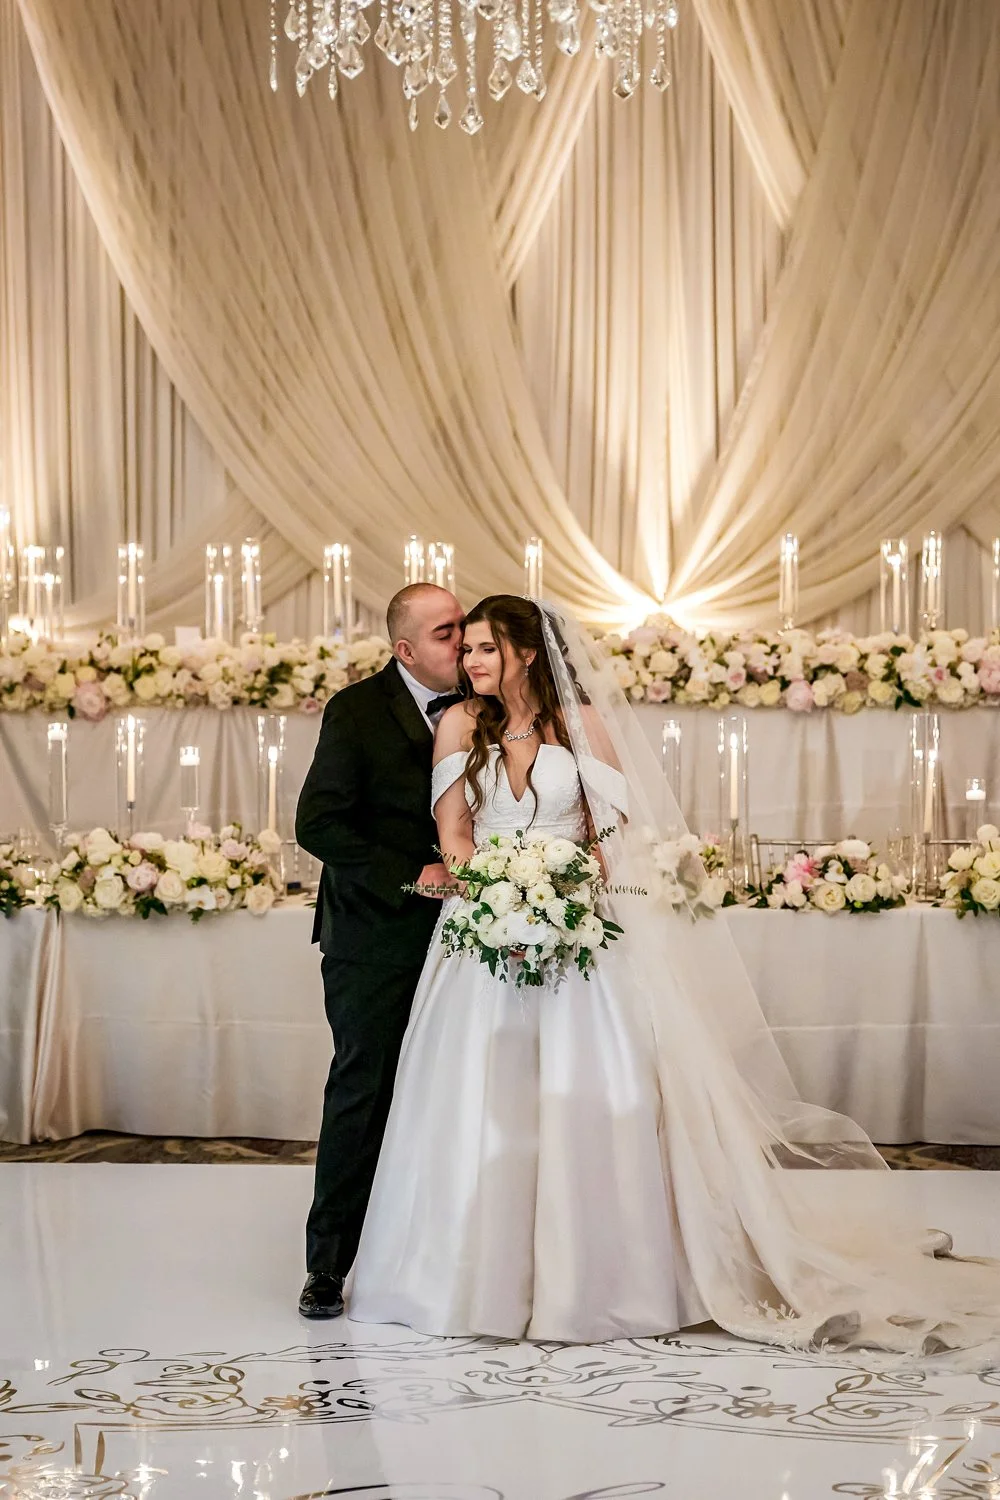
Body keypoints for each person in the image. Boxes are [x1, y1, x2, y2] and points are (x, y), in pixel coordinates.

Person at [348, 593, 1000, 1361]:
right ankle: (461, 1277)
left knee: (599, 1101)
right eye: (468, 651)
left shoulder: (583, 728)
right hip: (478, 939)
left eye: (487, 648)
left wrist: (559, 899)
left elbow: (606, 837)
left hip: (578, 933)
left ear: (527, 652)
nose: (472, 662)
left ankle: (601, 1278)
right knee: (477, 1100)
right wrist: (498, 895)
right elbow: (453, 835)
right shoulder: (459, 724)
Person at [294, 582, 465, 1319]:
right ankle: (327, 1267)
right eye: (447, 632)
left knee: (456, 1092)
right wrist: (411, 872)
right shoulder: (357, 711)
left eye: (465, 629)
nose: (463, 642)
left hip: (467, 937)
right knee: (363, 1092)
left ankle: (444, 1256)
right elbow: (318, 825)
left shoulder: (487, 709)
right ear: (405, 650)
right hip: (372, 935)